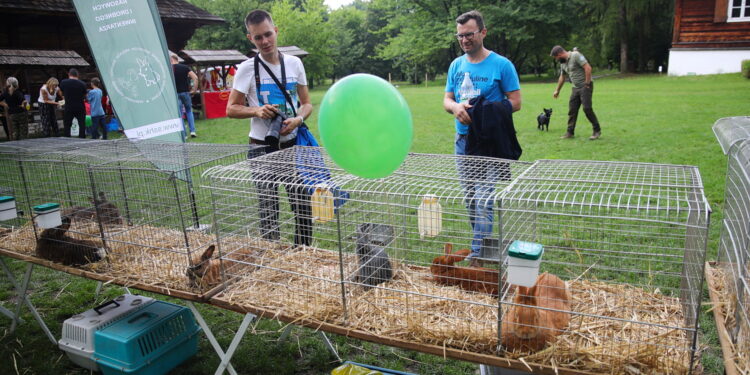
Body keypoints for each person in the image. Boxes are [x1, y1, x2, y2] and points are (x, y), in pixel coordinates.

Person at [227, 9, 313, 246]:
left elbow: (306, 104)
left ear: (275, 31)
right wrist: (256, 110)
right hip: (261, 147)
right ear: (250, 39)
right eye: (258, 38)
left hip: (293, 146)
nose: (264, 42)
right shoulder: (246, 68)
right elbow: (231, 108)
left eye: (267, 35)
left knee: (302, 205)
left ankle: (303, 253)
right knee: (268, 207)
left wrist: (298, 119)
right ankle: (272, 259)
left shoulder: (295, 64)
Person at [443, 10, 522, 267]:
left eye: (469, 34)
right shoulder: (456, 65)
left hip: (489, 143)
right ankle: (484, 244)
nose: (464, 40)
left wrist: (487, 111)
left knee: (484, 199)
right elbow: (447, 99)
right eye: (460, 35)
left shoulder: (502, 65)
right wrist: (456, 108)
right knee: (470, 199)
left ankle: (477, 255)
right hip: (463, 141)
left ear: (483, 33)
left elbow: (516, 102)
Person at [550, 45, 601, 140]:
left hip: (585, 86)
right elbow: (562, 77)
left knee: (587, 108)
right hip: (575, 88)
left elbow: (588, 68)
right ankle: (570, 132)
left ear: (560, 54)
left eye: (556, 57)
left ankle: (596, 131)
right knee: (572, 110)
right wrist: (557, 90)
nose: (556, 59)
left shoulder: (576, 55)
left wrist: (587, 83)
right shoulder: (563, 63)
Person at [170, 54, 199, 138]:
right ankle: (193, 131)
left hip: (176, 94)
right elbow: (195, 78)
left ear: (171, 60)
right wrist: (194, 89)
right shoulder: (185, 67)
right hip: (186, 92)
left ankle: (184, 134)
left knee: (180, 114)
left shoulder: (169, 69)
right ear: (177, 59)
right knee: (189, 111)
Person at [59, 68, 87, 138]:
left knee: (67, 124)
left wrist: (64, 96)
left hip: (69, 106)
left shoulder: (64, 82)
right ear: (77, 75)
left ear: (69, 74)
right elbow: (85, 95)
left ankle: (67, 138)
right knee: (82, 124)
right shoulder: (83, 84)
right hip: (80, 106)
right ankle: (82, 138)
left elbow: (61, 92)